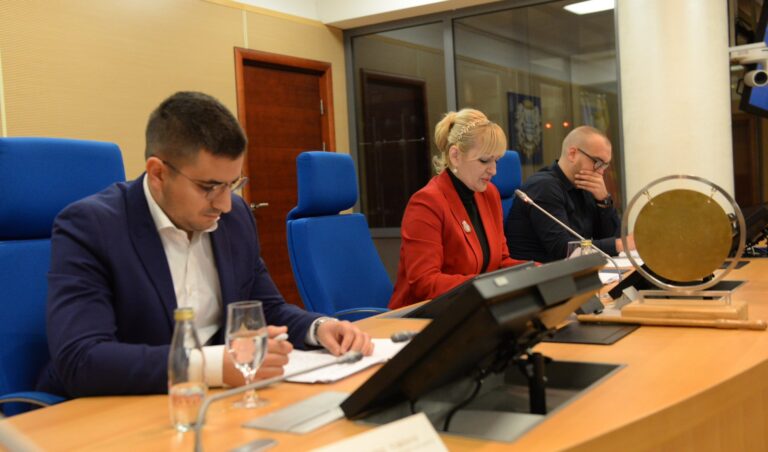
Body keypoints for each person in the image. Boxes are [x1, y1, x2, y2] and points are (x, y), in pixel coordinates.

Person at [37, 91, 373, 397]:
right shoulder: (91, 226)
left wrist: (319, 327)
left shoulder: (235, 218)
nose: (224, 204)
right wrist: (211, 366)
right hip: (119, 408)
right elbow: (81, 358)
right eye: (209, 187)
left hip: (214, 400)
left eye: (232, 184)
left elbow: (265, 307)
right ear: (157, 173)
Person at [388, 109, 528, 310]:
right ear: (455, 156)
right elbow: (424, 283)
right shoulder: (426, 203)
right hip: (421, 317)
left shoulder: (490, 194)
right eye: (484, 160)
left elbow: (501, 261)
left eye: (496, 160)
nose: (494, 170)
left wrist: (540, 272)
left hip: (473, 309)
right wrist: (489, 285)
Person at [505, 125, 634, 263]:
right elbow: (563, 250)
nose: (601, 172)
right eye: (598, 162)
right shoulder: (543, 186)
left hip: (576, 270)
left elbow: (612, 238)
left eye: (605, 165)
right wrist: (621, 244)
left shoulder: (585, 186)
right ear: (572, 154)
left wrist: (604, 201)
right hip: (539, 272)